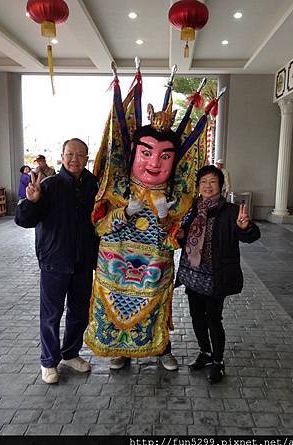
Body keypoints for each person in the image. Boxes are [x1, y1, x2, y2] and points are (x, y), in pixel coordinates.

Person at [84, 64, 215, 371]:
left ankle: (161, 349)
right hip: (115, 268)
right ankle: (120, 351)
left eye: (165, 156)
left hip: (154, 268)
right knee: (114, 308)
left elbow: (176, 241)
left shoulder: (178, 195)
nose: (155, 162)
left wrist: (165, 217)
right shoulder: (114, 185)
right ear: (133, 154)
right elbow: (99, 225)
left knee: (157, 309)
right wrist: (122, 212)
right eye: (146, 153)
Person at [15, 138, 99, 384]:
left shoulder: (92, 184)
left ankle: (71, 353)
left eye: (80, 155)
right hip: (54, 261)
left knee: (79, 313)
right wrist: (31, 202)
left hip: (83, 262)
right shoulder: (49, 185)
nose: (75, 159)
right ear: (62, 157)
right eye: (70, 154)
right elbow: (24, 220)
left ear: (87, 158)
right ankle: (48, 362)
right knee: (51, 315)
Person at [176, 165, 260, 383]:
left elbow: (252, 237)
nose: (208, 186)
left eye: (212, 182)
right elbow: (182, 238)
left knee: (213, 318)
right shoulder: (193, 208)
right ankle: (205, 352)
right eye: (203, 182)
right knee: (196, 316)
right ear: (198, 186)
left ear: (221, 186)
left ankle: (218, 361)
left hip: (216, 276)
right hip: (193, 273)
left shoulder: (231, 211)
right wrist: (180, 235)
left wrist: (245, 227)